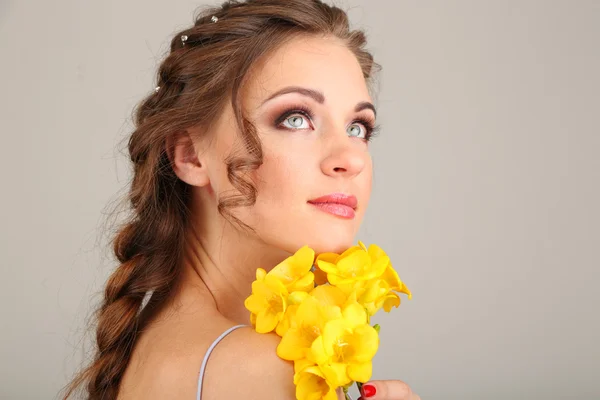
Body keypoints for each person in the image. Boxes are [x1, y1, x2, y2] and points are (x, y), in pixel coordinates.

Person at [63, 1, 421, 399]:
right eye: (295, 118)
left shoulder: (156, 333)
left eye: (358, 127)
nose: (351, 159)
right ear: (191, 155)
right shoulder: (258, 368)